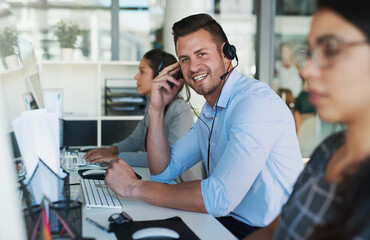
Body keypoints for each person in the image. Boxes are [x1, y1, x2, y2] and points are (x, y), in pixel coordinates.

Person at [105, 13, 303, 239]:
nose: (193, 67)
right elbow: (162, 171)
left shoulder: (254, 104)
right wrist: (157, 108)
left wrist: (132, 188)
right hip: (226, 222)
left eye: (202, 54)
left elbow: (220, 197)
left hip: (269, 232)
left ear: (226, 54)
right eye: (185, 59)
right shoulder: (211, 111)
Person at [246, 0, 370, 239]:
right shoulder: (329, 149)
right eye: (310, 52)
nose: (306, 71)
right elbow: (274, 230)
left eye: (330, 49)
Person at [84, 49, 194, 169]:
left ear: (160, 76)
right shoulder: (152, 104)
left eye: (142, 71)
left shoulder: (179, 110)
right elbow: (135, 140)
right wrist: (110, 150)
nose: (136, 77)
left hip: (179, 183)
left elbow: (169, 159)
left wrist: (118, 158)